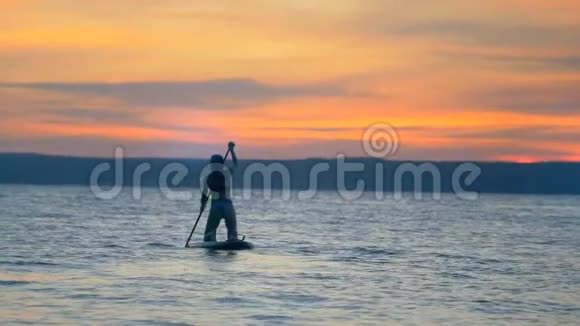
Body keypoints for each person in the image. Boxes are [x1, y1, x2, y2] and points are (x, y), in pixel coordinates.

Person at [200, 141, 239, 242]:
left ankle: (210, 238)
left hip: (215, 207)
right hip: (228, 206)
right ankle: (232, 238)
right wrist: (232, 151)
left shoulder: (208, 177)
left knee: (209, 234)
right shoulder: (227, 173)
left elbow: (204, 197)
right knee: (232, 231)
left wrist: (202, 207)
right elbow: (235, 164)